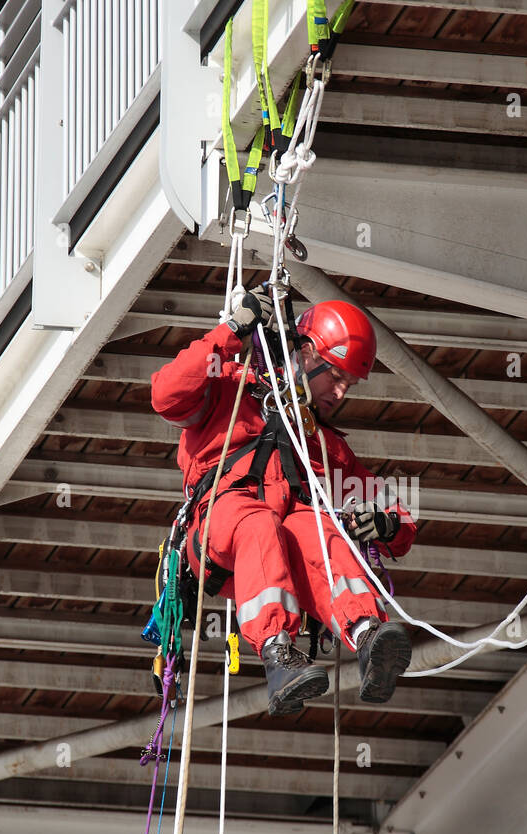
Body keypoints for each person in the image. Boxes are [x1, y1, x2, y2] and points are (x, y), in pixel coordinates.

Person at [150, 292, 415, 715]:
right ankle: (278, 653)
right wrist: (232, 332)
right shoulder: (228, 390)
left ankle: (368, 635)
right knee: (259, 524)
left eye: (351, 383)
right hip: (221, 526)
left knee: (318, 531)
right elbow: (166, 394)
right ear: (307, 353)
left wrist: (386, 524)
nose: (343, 392)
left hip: (279, 535)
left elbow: (395, 511)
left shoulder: (322, 442)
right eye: (337, 376)